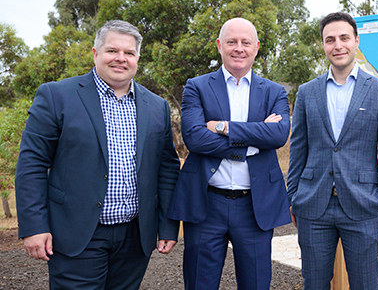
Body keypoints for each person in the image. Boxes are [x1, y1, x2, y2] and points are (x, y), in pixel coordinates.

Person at [15, 20, 181, 289]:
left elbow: (167, 169)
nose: (121, 59)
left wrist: (168, 225)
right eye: (112, 51)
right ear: (95, 53)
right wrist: (34, 226)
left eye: (129, 53)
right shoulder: (57, 96)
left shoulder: (156, 106)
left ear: (138, 58)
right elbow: (32, 164)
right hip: (77, 233)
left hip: (135, 236)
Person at [168, 17, 291, 290]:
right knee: (200, 284)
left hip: (255, 206)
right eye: (231, 42)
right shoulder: (197, 86)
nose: (239, 48)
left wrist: (224, 128)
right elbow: (195, 139)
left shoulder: (274, 91)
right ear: (219, 46)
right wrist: (254, 139)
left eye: (245, 42)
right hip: (206, 204)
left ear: (256, 47)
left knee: (256, 284)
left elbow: (279, 136)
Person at [287, 12, 378, 290]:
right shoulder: (306, 92)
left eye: (343, 38)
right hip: (314, 207)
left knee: (365, 283)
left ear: (356, 41)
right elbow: (298, 150)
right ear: (323, 45)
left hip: (363, 206)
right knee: (314, 284)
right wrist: (294, 196)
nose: (337, 45)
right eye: (330, 40)